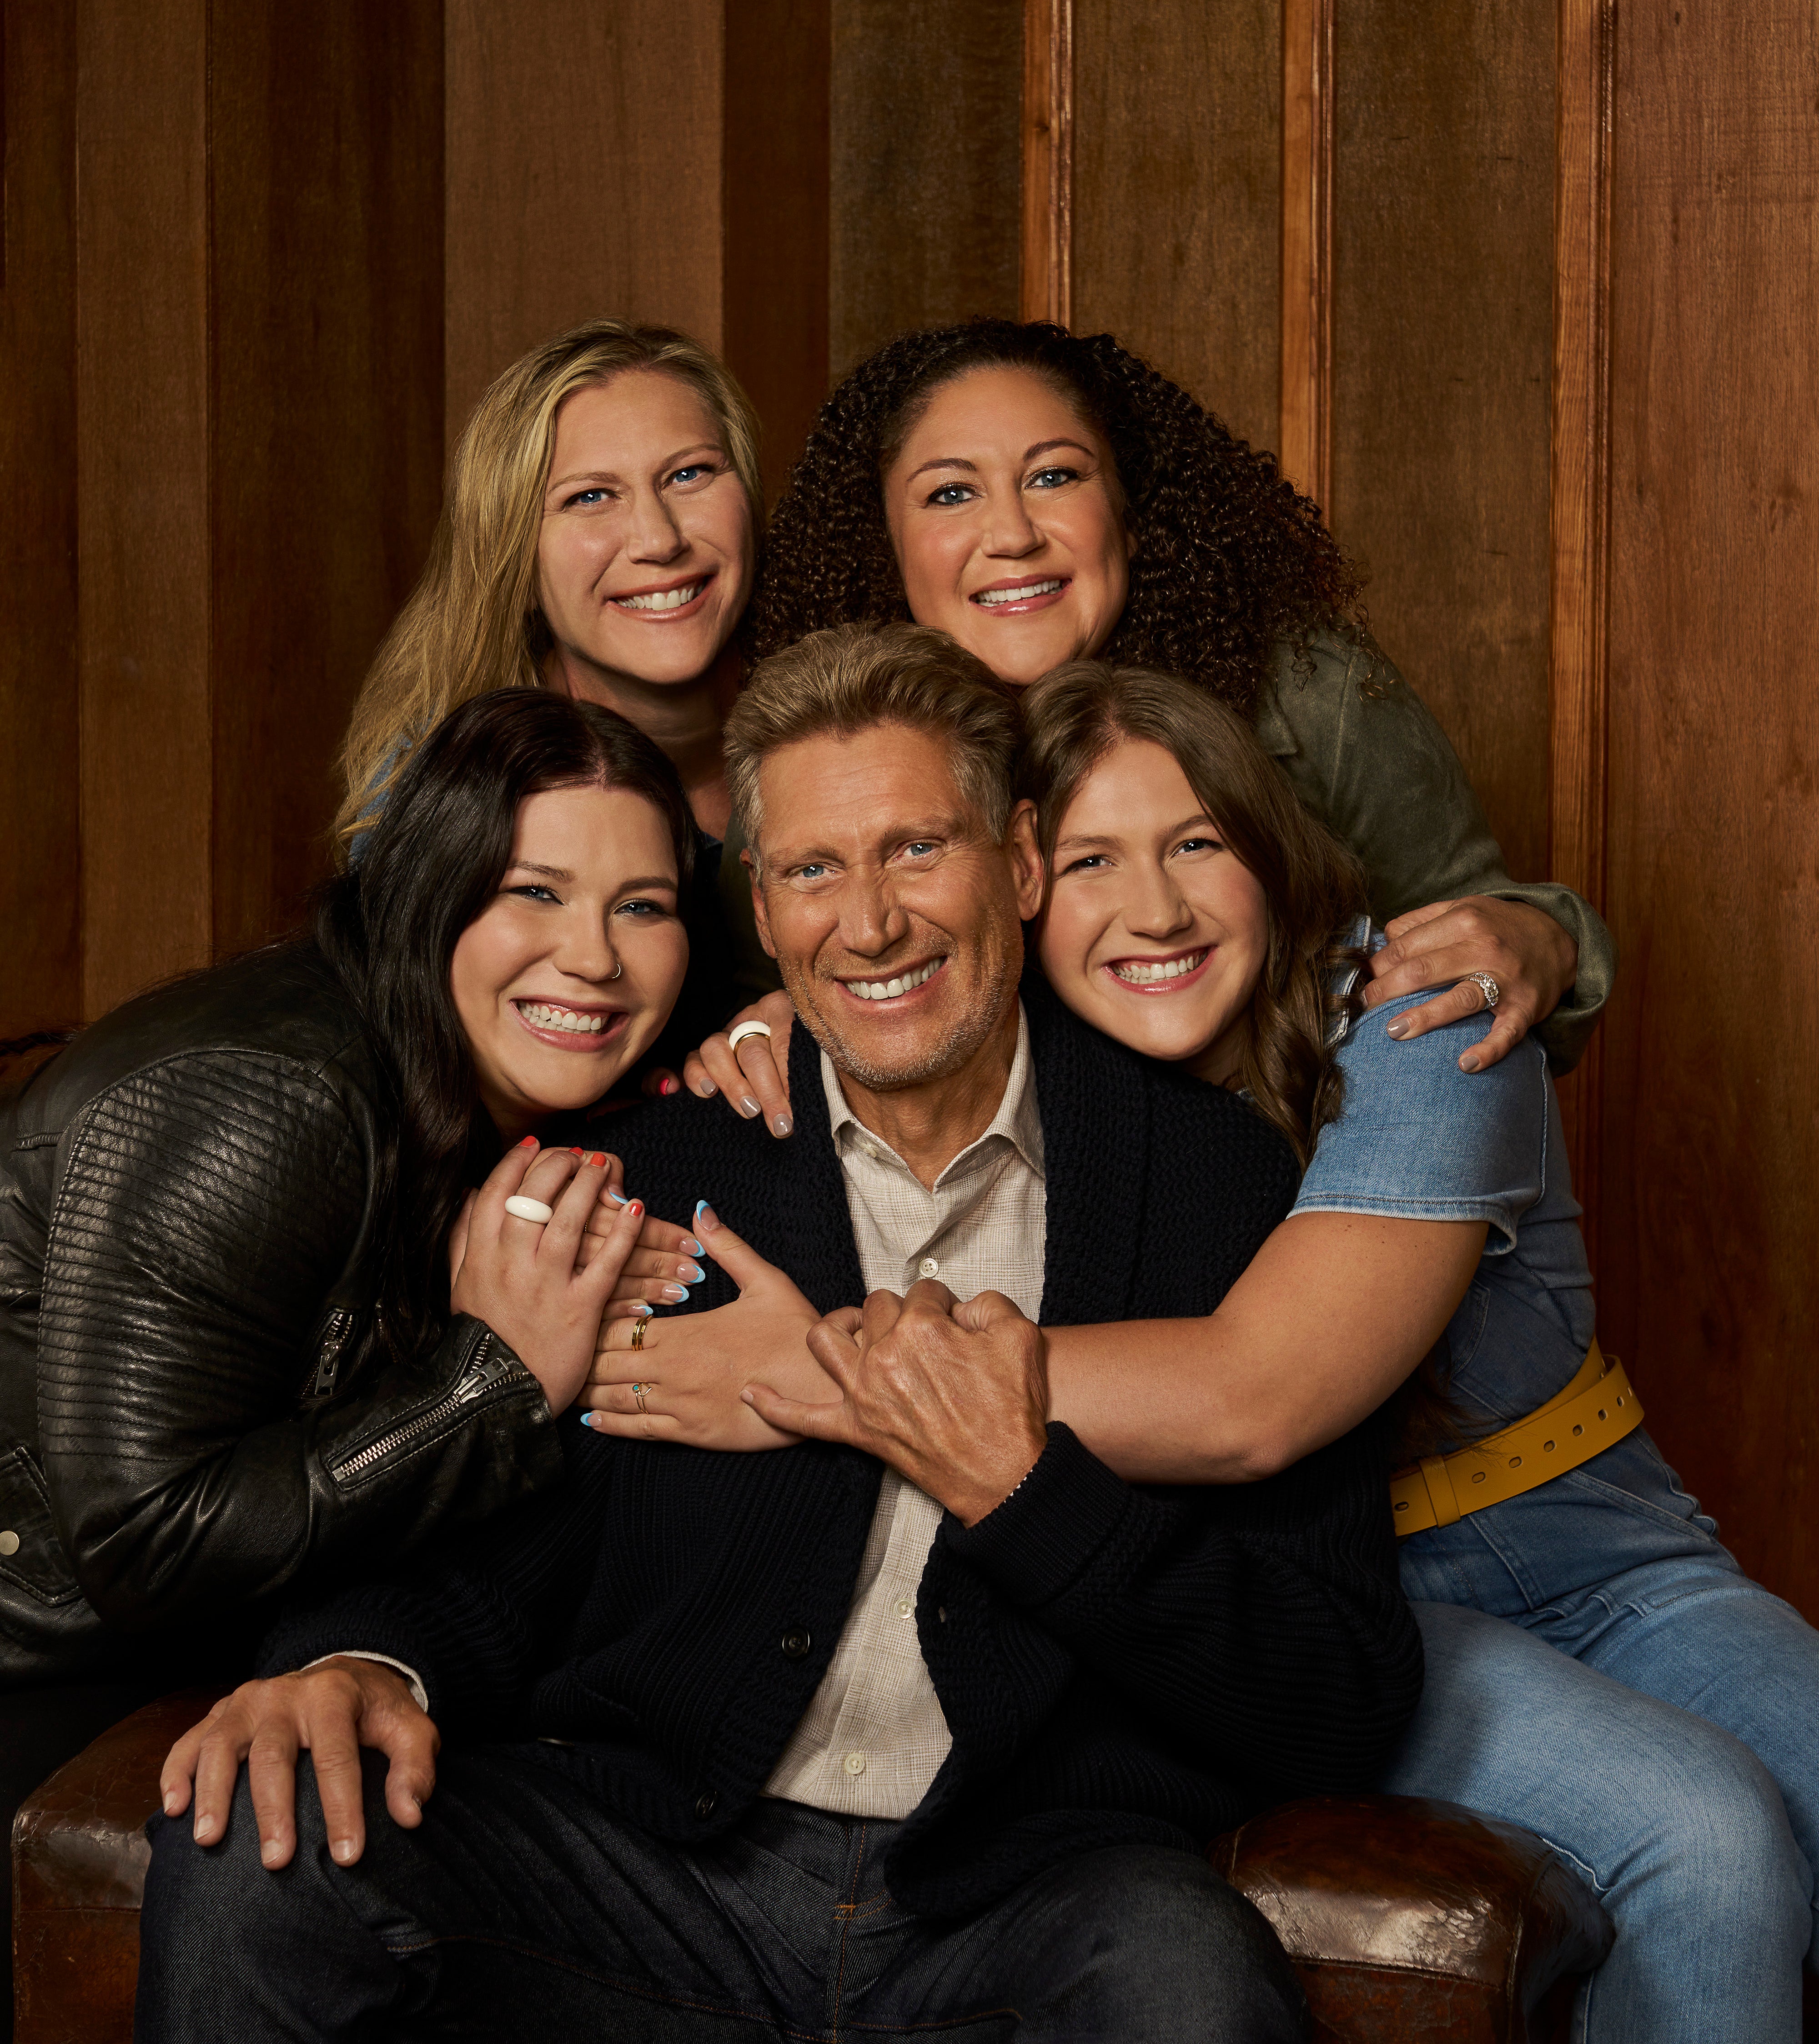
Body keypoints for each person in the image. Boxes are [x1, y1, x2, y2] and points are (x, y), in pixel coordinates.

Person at [138, 625, 1421, 2044]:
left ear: (1024, 858)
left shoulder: (1220, 1188)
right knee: (264, 1862)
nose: (868, 924)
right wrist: (352, 1667)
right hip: (658, 1875)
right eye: (814, 868)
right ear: (762, 900)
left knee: (1190, 1981)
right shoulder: (663, 1167)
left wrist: (1031, 1492)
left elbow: (1340, 1692)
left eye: (917, 851)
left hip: (1027, 1898)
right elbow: (485, 1547)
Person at [1000, 660, 1819, 2043]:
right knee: (1707, 1832)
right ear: (1022, 887)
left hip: (1597, 1554)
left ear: (1270, 850)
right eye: (1094, 859)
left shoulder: (1427, 1011)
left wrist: (858, 1365)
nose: (1155, 907)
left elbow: (1257, 1391)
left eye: (1199, 841)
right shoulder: (1045, 1076)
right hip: (1357, 1601)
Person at [0, 688, 702, 2013]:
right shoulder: (273, 1092)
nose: (595, 957)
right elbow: (144, 1534)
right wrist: (492, 1377)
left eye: (644, 906)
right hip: (39, 1656)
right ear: (428, 895)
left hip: (231, 1633)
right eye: (531, 892)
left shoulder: (492, 1088)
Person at [694, 316, 1613, 1139]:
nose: (1011, 533)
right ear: (884, 549)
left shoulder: (1305, 693)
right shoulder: (815, 762)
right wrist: (755, 1025)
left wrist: (1543, 941)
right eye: (949, 494)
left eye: (1053, 475)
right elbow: (759, 981)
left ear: (1131, 520)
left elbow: (1476, 935)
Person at [337, 316, 769, 1035]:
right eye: (590, 497)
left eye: (689, 474)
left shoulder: (850, 720)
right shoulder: (439, 792)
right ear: (517, 559)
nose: (659, 540)